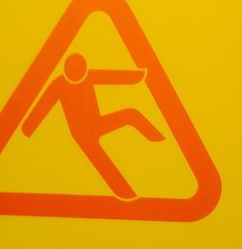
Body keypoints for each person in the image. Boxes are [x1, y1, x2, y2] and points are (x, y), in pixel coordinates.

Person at [23, 53, 162, 200]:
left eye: (80, 72)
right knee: (101, 161)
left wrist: (138, 76)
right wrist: (28, 129)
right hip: (81, 134)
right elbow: (42, 107)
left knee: (131, 115)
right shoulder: (58, 84)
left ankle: (159, 141)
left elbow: (112, 77)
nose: (78, 75)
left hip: (97, 122)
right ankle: (126, 193)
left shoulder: (89, 75)